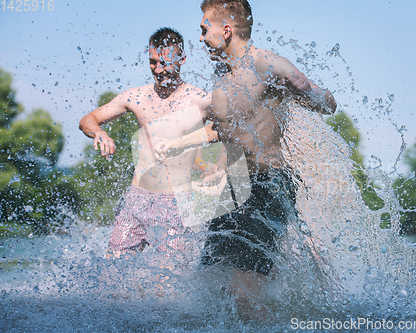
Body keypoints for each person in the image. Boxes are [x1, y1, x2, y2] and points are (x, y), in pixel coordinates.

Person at [194, 0, 338, 318]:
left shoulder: (268, 63)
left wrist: (305, 91)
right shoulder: (223, 72)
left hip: (263, 183)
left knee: (244, 297)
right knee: (209, 289)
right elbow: (224, 133)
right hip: (225, 185)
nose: (201, 38)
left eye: (205, 29)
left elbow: (328, 103)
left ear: (226, 30)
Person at [79, 27, 216, 259]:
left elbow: (229, 128)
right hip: (137, 199)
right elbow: (88, 120)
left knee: (168, 281)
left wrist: (188, 143)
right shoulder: (136, 97)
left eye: (165, 63)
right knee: (114, 268)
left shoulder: (200, 100)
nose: (159, 70)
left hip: (178, 201)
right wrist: (99, 134)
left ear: (182, 60)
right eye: (153, 62)